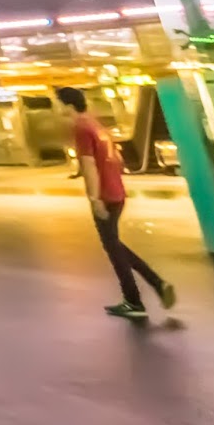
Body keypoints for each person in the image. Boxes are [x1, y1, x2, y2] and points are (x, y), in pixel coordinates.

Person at [59, 85, 175, 320]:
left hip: (105, 195)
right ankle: (156, 285)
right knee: (114, 244)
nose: (55, 108)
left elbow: (89, 166)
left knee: (113, 248)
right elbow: (118, 159)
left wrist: (94, 198)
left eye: (57, 103)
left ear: (68, 105)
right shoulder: (96, 125)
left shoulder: (81, 128)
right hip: (117, 192)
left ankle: (135, 300)